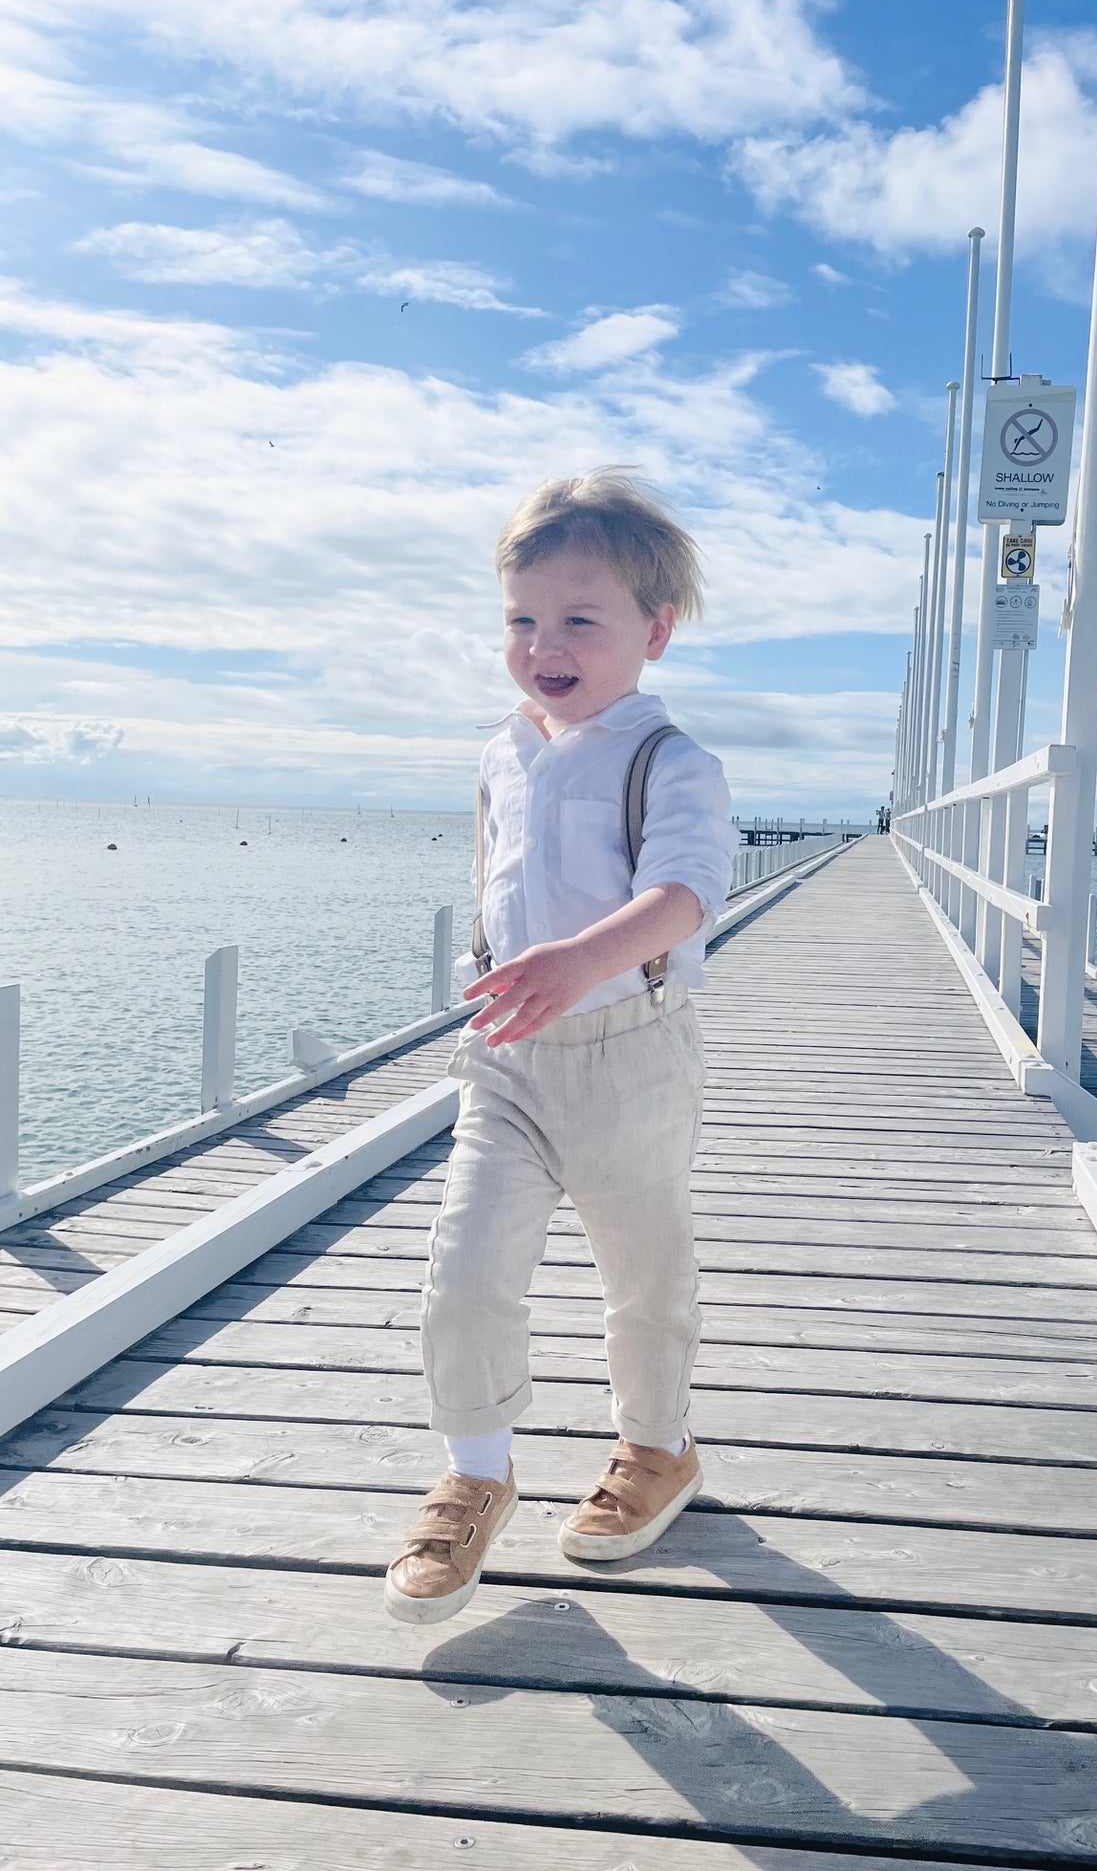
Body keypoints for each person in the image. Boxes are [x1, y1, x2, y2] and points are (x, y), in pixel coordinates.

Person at [385, 469, 738, 1624]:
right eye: (521, 619)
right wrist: (509, 969)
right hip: (510, 1059)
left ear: (655, 628)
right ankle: (476, 1468)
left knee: (644, 1274)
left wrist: (580, 960)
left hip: (629, 1051)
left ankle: (656, 1446)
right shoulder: (501, 752)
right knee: (466, 1262)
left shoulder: (668, 759)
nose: (545, 643)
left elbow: (683, 891)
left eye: (579, 619)